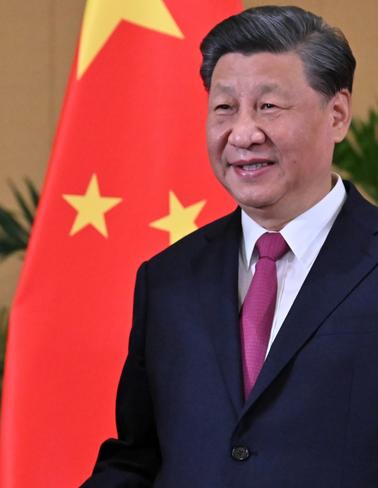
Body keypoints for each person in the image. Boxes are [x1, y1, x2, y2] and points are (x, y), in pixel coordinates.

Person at [82, 6, 377, 487]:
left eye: (268, 107)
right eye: (224, 108)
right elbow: (138, 458)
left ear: (338, 115)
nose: (242, 133)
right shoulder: (167, 278)